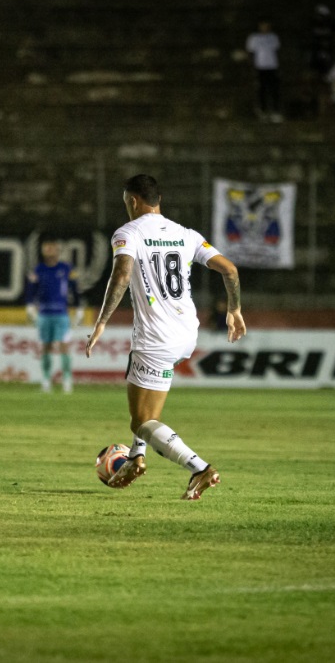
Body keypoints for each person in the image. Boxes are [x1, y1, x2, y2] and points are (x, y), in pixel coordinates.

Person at [85, 174, 246, 501]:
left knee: (141, 421)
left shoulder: (128, 232)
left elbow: (122, 274)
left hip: (155, 336)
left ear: (132, 201)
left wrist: (102, 321)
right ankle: (135, 458)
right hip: (186, 333)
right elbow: (230, 270)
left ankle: (199, 468)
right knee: (147, 415)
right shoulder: (185, 234)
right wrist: (235, 310)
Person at [25, 237, 82, 394]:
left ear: (57, 251)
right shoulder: (38, 270)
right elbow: (31, 291)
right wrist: (30, 306)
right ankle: (46, 380)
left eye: (52, 249)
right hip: (44, 314)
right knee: (46, 347)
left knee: (64, 346)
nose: (49, 252)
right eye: (46, 249)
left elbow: (75, 290)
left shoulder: (66, 269)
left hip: (61, 314)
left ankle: (67, 380)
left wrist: (78, 308)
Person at [245, 20, 282, 122]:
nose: (265, 27)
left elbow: (277, 51)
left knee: (274, 89)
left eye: (267, 25)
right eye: (262, 25)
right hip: (260, 67)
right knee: (261, 89)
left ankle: (275, 111)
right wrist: (252, 67)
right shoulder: (254, 38)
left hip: (272, 66)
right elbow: (250, 52)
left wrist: (279, 67)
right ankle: (263, 111)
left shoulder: (273, 37)